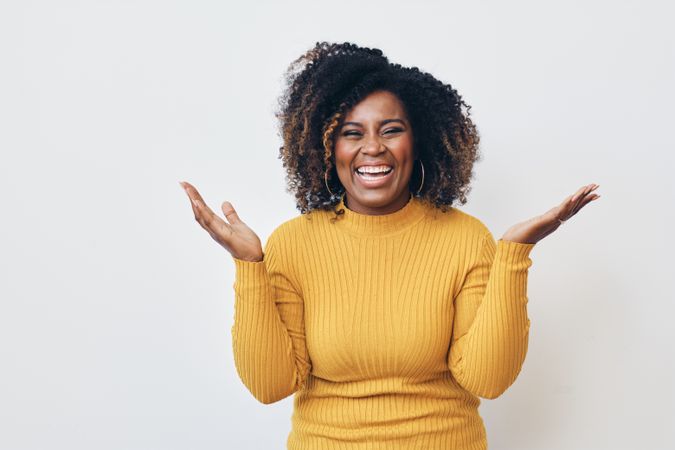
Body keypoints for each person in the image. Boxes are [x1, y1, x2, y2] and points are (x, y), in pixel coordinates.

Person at [180, 41, 600, 450]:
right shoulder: (294, 243)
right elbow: (270, 386)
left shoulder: (464, 238)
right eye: (351, 133)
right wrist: (249, 264)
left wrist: (513, 253)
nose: (373, 147)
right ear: (328, 148)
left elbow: (488, 380)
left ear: (417, 143)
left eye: (391, 130)